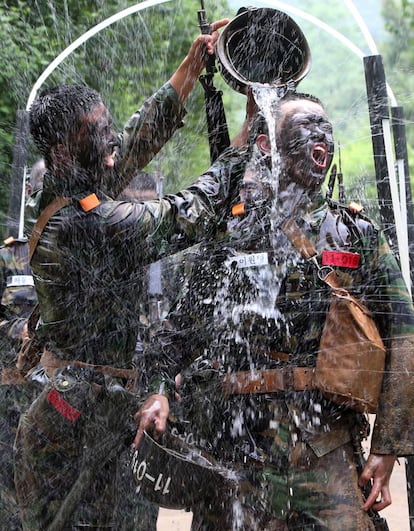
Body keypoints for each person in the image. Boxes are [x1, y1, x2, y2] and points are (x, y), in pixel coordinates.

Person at [133, 91, 414, 530]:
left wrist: (387, 447)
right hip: (234, 453)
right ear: (268, 146)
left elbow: (404, 337)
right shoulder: (230, 238)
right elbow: (174, 338)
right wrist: (158, 392)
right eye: (305, 126)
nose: (320, 136)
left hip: (324, 450)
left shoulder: (355, 234)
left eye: (326, 127)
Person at [12, 19, 244, 531]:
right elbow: (188, 215)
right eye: (98, 132)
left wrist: (190, 68)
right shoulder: (84, 222)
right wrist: (245, 147)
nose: (111, 136)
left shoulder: (70, 188)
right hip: (73, 429)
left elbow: (134, 137)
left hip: (92, 410)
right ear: (64, 152)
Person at [0, 158, 46, 530]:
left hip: (63, 399)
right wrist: (20, 332)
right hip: (13, 397)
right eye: (40, 185)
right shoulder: (9, 257)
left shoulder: (80, 249)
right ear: (30, 192)